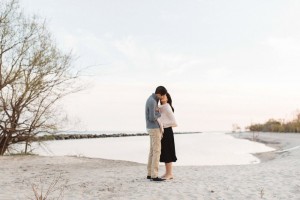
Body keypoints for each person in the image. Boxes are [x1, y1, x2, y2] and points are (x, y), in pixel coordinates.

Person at [145, 86, 167, 182]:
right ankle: (154, 175)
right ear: (160, 94)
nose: (163, 97)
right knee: (157, 151)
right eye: (163, 95)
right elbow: (152, 117)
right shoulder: (153, 101)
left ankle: (150, 174)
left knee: (152, 151)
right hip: (154, 128)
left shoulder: (151, 99)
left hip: (150, 128)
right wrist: (159, 112)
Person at [159, 93, 177, 180]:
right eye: (161, 95)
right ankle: (167, 172)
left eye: (164, 96)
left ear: (167, 98)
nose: (162, 97)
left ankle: (169, 174)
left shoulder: (167, 107)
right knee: (165, 152)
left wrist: (163, 124)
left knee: (168, 152)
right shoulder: (162, 107)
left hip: (167, 131)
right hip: (164, 131)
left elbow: (174, 122)